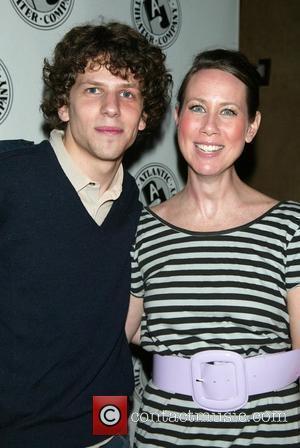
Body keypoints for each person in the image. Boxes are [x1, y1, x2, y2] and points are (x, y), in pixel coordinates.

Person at [0, 22, 172, 448]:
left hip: (105, 430)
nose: (112, 108)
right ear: (63, 105)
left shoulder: (141, 212)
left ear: (144, 116)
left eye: (127, 93)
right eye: (93, 89)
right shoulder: (10, 176)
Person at [126, 49, 300, 447]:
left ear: (252, 126)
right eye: (198, 108)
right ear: (177, 118)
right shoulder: (142, 229)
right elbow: (117, 333)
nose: (209, 127)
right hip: (164, 436)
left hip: (269, 434)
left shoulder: (290, 226)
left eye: (228, 112)